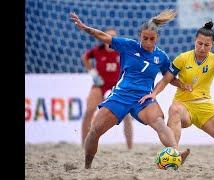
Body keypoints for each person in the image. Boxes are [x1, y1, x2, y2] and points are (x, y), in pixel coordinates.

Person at [70, 9, 190, 169]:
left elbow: (169, 78)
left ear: (157, 38)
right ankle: (87, 166)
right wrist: (85, 28)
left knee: (159, 122)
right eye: (145, 38)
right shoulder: (128, 46)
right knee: (95, 130)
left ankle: (176, 153)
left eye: (152, 39)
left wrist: (182, 84)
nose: (148, 42)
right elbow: (104, 36)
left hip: (144, 99)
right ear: (140, 36)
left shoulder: (161, 57)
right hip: (121, 95)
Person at [139, 21, 214, 169]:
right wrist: (154, 94)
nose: (202, 48)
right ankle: (175, 154)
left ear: (212, 45)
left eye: (206, 45)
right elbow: (166, 80)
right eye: (199, 43)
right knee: (174, 109)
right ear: (194, 41)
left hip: (205, 108)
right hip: (184, 106)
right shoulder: (183, 58)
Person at [80, 28, 133, 149]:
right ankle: (84, 145)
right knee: (89, 111)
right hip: (100, 84)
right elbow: (85, 58)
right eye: (108, 35)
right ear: (103, 37)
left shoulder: (121, 51)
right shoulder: (97, 50)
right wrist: (93, 74)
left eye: (113, 36)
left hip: (117, 85)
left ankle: (130, 147)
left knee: (126, 115)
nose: (110, 38)